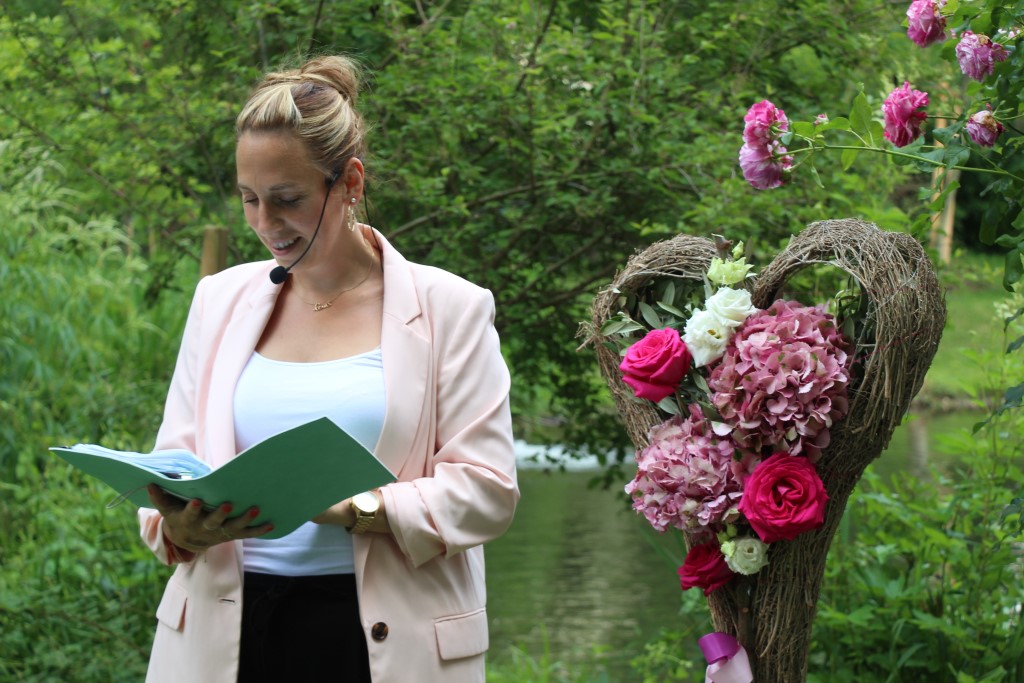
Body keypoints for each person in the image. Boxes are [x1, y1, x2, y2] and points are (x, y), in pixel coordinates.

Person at [137, 55, 519, 683]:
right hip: (222, 635)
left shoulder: (451, 307)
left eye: (286, 200)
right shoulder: (218, 300)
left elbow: (488, 491)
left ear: (350, 183)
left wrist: (356, 507)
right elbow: (173, 463)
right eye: (249, 200)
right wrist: (176, 524)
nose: (265, 224)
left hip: (381, 644)